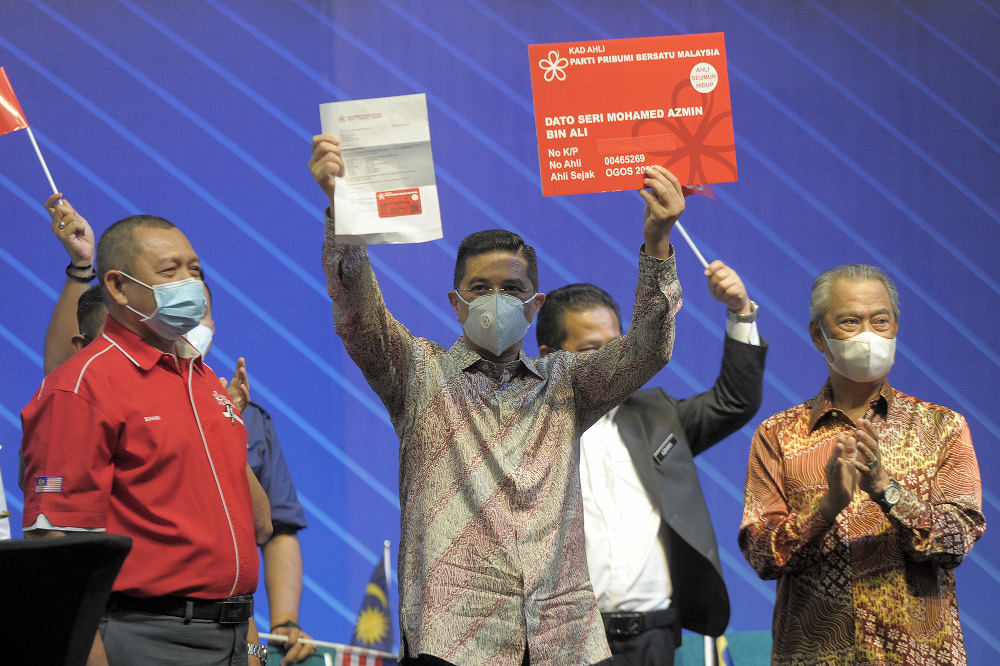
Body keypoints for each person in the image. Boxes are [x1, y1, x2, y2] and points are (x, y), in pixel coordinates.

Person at [310, 133, 686, 666]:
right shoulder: (418, 374)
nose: (495, 299)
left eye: (511, 289)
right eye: (479, 287)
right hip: (455, 638)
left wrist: (657, 244)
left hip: (564, 636)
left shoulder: (568, 384)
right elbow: (358, 315)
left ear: (534, 307)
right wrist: (341, 213)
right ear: (456, 303)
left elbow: (649, 348)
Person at [41, 194, 316, 665]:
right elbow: (56, 539)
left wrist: (251, 645)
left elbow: (257, 527)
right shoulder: (82, 385)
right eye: (170, 271)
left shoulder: (207, 385)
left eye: (196, 270)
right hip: (142, 635)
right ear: (119, 288)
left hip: (230, 635)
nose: (189, 283)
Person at [738, 264, 985, 665]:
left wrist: (888, 492)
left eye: (881, 321)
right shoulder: (778, 434)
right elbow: (761, 555)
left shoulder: (942, 428)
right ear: (819, 335)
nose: (869, 334)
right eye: (851, 321)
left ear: (896, 328)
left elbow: (957, 540)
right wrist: (827, 508)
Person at [535, 264, 767, 666]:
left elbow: (734, 401)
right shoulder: (525, 433)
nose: (612, 359)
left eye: (618, 344)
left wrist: (741, 313)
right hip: (565, 640)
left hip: (653, 638)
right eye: (592, 349)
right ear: (549, 356)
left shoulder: (657, 416)